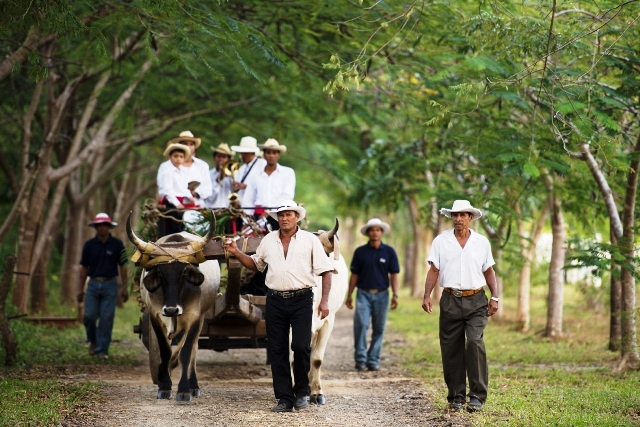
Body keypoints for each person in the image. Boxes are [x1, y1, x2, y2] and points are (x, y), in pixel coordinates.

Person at [223, 201, 333, 413]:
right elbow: (256, 264)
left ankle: (302, 391)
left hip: (302, 299)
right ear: (277, 218)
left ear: (297, 217)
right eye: (281, 215)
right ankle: (284, 398)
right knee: (277, 349)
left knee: (301, 346)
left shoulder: (310, 240)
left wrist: (325, 300)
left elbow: (326, 271)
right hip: (274, 300)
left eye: (289, 214)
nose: (284, 218)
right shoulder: (268, 240)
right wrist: (236, 252)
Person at [421, 200, 499, 413]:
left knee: (474, 342)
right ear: (451, 217)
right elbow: (434, 270)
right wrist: (427, 295)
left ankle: (477, 396)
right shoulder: (441, 241)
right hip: (450, 300)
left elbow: (489, 271)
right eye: (455, 215)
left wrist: (495, 297)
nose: (458, 218)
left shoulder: (481, 242)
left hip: (476, 300)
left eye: (463, 215)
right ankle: (456, 397)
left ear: (470, 218)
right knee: (451, 349)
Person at [345, 218, 400, 372]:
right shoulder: (360, 252)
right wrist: (349, 295)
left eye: (378, 229)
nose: (375, 232)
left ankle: (373, 360)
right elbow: (354, 275)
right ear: (368, 233)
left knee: (379, 328)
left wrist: (396, 295)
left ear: (381, 232)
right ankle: (360, 359)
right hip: (363, 294)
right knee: (361, 325)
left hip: (382, 294)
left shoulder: (389, 252)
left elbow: (394, 275)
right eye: (372, 230)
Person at [77, 213, 129, 360]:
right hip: (93, 283)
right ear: (96, 227)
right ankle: (93, 341)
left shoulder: (117, 244)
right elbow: (83, 268)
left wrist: (124, 287)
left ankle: (102, 350)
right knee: (89, 316)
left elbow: (123, 266)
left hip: (110, 284)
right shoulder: (89, 245)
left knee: (107, 317)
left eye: (104, 225)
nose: (102, 228)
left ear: (108, 227)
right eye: (99, 225)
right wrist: (80, 289)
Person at [241, 138, 295, 230]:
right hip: (258, 216)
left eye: (274, 153)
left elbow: (287, 196)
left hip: (281, 216)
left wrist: (269, 212)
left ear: (279, 155)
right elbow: (248, 199)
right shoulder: (255, 175)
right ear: (264, 154)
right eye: (268, 152)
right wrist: (246, 221)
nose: (271, 155)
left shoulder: (288, 172)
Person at [157, 130, 212, 208]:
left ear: (195, 146)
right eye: (185, 144)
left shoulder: (202, 166)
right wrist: (176, 202)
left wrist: (193, 195)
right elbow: (164, 190)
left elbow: (207, 190)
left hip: (196, 205)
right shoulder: (167, 167)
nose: (188, 146)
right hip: (173, 204)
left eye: (191, 144)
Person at [157, 143, 195, 235]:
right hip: (171, 202)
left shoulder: (182, 172)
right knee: (172, 226)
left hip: (180, 202)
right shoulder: (168, 172)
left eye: (181, 157)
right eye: (176, 156)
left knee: (180, 225)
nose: (178, 159)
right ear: (170, 157)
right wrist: (177, 203)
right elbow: (168, 190)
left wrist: (190, 197)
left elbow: (184, 187)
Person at [230, 136, 267, 201]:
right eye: (241, 153)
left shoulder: (263, 165)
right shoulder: (242, 168)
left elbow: (266, 186)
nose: (242, 156)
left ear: (252, 153)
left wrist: (246, 187)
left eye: (245, 153)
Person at [205, 143, 235, 209]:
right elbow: (210, 197)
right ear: (214, 158)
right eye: (218, 156)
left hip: (227, 211)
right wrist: (219, 179)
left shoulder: (233, 175)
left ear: (228, 160)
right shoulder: (209, 174)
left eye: (224, 157)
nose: (221, 159)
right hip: (211, 211)